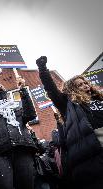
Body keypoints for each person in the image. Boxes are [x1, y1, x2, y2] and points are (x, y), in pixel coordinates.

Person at [36, 56, 103, 189]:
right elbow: (52, 90)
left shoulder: (99, 99)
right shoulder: (68, 104)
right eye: (80, 84)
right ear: (72, 89)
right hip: (93, 155)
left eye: (86, 83)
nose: (85, 85)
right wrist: (43, 69)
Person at [0, 78, 38, 189]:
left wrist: (23, 90)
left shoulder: (17, 108)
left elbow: (31, 114)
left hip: (22, 150)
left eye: (1, 87)